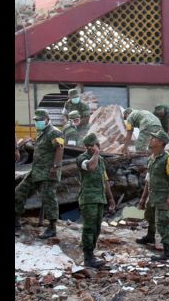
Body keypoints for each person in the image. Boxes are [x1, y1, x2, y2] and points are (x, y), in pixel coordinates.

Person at [15, 109, 64, 238]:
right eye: (36, 120)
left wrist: (55, 167)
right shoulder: (41, 132)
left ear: (47, 119)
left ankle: (52, 227)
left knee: (49, 198)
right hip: (37, 170)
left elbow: (59, 150)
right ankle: (16, 222)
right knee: (19, 192)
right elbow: (42, 148)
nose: (37, 122)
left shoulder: (55, 132)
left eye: (40, 120)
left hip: (49, 172)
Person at [136, 130, 169, 261]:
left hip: (162, 197)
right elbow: (149, 179)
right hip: (152, 196)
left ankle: (167, 251)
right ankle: (150, 236)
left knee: (162, 223)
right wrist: (143, 198)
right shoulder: (151, 158)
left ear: (160, 142)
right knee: (149, 216)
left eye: (153, 138)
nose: (150, 139)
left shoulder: (168, 159)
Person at [76, 133, 116, 268]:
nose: (96, 147)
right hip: (88, 199)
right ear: (88, 147)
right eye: (93, 145)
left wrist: (111, 199)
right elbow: (91, 167)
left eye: (97, 145)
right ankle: (88, 257)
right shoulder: (82, 158)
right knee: (89, 227)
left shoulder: (101, 161)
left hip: (100, 199)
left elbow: (105, 180)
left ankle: (91, 255)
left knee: (97, 228)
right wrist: (96, 154)